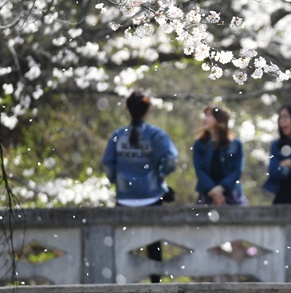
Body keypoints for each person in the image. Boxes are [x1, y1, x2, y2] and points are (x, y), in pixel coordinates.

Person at [101, 91, 179, 283]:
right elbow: (170, 159)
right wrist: (161, 174)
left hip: (125, 198)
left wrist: (117, 180)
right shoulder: (156, 135)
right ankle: (156, 284)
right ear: (148, 110)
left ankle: (123, 283)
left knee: (124, 244)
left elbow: (108, 163)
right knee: (154, 243)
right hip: (151, 196)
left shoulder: (118, 136)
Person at [193, 105, 247, 205]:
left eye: (209, 115)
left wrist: (221, 188)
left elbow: (237, 170)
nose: (205, 119)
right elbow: (199, 170)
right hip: (207, 195)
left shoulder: (236, 144)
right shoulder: (199, 145)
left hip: (232, 195)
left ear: (219, 119)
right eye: (205, 115)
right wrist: (213, 191)